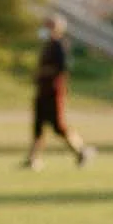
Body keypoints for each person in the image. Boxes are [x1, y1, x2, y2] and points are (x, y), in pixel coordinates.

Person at [24, 15, 94, 169]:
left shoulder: (59, 45)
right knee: (38, 127)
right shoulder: (47, 45)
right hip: (42, 92)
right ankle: (32, 159)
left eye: (48, 26)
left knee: (58, 127)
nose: (44, 29)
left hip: (54, 92)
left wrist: (42, 72)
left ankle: (81, 150)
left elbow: (61, 68)